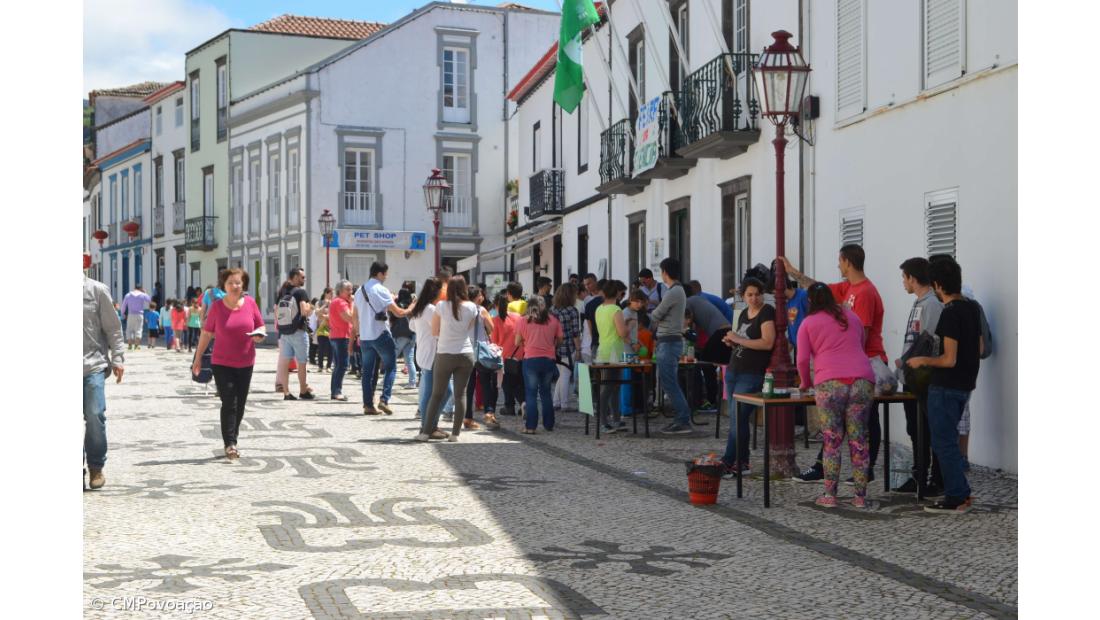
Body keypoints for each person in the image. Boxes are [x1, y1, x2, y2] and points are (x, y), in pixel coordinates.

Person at [782, 246, 888, 483]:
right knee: (840, 421)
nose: (838, 266)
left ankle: (865, 469)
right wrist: (795, 273)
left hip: (867, 362)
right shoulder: (848, 287)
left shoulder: (866, 292)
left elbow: (861, 334)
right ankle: (828, 467)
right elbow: (820, 290)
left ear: (847, 262)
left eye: (839, 261)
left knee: (867, 420)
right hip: (851, 366)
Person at [907, 257, 981, 514]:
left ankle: (957, 496)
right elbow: (979, 347)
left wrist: (922, 359)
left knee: (943, 443)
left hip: (946, 386)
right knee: (948, 441)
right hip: (965, 384)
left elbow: (948, 359)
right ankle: (961, 492)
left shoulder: (950, 313)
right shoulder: (972, 308)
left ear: (937, 284)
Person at [796, 283, 876, 508]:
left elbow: (802, 360)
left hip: (830, 383)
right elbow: (861, 344)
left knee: (832, 440)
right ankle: (860, 497)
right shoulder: (852, 317)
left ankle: (830, 495)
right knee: (858, 440)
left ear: (810, 301)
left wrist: (805, 383)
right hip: (862, 380)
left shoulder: (808, 323)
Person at [191, 268, 265, 461]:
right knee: (229, 402)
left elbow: (261, 325)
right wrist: (198, 359)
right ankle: (230, 444)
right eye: (230, 283)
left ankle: (233, 438)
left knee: (240, 404)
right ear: (224, 285)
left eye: (238, 283)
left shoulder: (250, 303)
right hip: (222, 362)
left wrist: (259, 335)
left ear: (244, 285)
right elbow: (207, 334)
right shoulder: (216, 307)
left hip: (246, 361)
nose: (234, 286)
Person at [895, 258, 945, 495]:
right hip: (910, 376)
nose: (903, 282)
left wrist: (912, 361)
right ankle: (918, 475)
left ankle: (933, 479)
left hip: (923, 378)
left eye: (904, 277)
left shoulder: (932, 305)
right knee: (915, 430)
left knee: (927, 429)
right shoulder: (919, 303)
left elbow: (930, 341)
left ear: (913, 278)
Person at [718, 278, 776, 474]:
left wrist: (738, 339)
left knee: (738, 416)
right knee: (737, 419)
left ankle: (729, 460)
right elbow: (743, 340)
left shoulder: (767, 312)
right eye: (750, 295)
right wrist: (732, 342)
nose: (754, 298)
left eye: (757, 294)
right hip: (734, 369)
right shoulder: (743, 313)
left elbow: (767, 343)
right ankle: (741, 463)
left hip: (751, 373)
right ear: (743, 296)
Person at [417, 276, 479, 442]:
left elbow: (435, 331)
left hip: (445, 354)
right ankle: (455, 434)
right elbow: (469, 327)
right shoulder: (472, 307)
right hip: (465, 354)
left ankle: (425, 432)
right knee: (461, 395)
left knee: (436, 394)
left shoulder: (441, 306)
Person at [84, 272, 125, 489]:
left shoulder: (97, 290)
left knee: (95, 414)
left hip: (93, 365)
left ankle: (96, 466)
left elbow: (113, 328)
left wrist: (118, 358)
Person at [352, 262, 410, 415]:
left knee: (367, 372)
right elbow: (398, 313)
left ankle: (368, 405)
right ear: (379, 274)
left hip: (365, 337)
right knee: (390, 367)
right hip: (380, 334)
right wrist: (412, 308)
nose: (387, 276)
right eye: (386, 274)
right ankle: (384, 399)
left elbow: (355, 316)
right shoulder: (381, 289)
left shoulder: (359, 291)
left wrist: (358, 334)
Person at [652, 258, 693, 435]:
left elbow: (656, 314)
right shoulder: (677, 291)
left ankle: (683, 419)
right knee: (669, 382)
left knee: (670, 383)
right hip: (669, 341)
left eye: (661, 271)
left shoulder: (673, 292)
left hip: (668, 342)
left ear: (665, 272)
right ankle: (682, 418)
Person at [516, 295, 563, 433]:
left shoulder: (523, 321)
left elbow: (517, 342)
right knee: (546, 392)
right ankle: (549, 424)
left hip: (530, 360)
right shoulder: (553, 320)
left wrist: (527, 342)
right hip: (548, 360)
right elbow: (560, 339)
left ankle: (531, 426)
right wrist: (553, 345)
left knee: (531, 394)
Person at [410, 278, 452, 420]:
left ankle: (429, 423)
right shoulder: (431, 309)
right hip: (432, 354)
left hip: (425, 352)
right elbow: (440, 330)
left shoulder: (421, 308)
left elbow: (412, 326)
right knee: (438, 391)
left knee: (439, 391)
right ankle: (427, 424)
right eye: (443, 289)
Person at [686, 285, 732, 411]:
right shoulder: (699, 300)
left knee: (705, 362)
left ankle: (711, 400)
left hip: (719, 332)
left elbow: (688, 324)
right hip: (727, 329)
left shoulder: (688, 302)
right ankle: (723, 400)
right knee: (724, 365)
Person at [594, 280, 631, 433]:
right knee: (610, 388)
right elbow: (622, 332)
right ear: (616, 293)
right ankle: (604, 422)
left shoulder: (599, 309)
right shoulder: (616, 310)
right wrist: (630, 326)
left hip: (603, 349)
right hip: (614, 352)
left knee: (612, 386)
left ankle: (615, 419)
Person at [274, 267, 314, 401]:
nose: (304, 279)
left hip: (285, 332)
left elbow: (276, 310)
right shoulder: (300, 292)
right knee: (301, 363)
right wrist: (310, 307)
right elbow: (304, 311)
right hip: (298, 331)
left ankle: (286, 392)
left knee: (285, 363)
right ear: (295, 277)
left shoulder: (283, 291)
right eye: (302, 277)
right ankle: (303, 390)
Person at [461, 285, 498, 430]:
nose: (482, 297)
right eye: (480, 295)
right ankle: (489, 413)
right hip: (481, 350)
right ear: (477, 297)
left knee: (468, 385)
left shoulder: (461, 310)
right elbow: (491, 328)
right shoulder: (481, 310)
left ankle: (468, 417)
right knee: (486, 382)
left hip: (465, 349)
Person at [550, 283, 582, 411]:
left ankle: (556, 402)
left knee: (561, 375)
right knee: (566, 375)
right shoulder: (572, 310)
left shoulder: (553, 309)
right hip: (568, 347)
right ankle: (564, 404)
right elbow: (575, 332)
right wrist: (578, 349)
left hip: (555, 347)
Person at [492, 293, 525, 417]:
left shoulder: (495, 321)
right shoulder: (518, 317)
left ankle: (512, 405)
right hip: (520, 353)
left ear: (495, 305)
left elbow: (494, 342)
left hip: (505, 356)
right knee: (520, 382)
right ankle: (520, 405)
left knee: (508, 383)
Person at [327, 281, 354, 401]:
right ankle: (336, 392)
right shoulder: (341, 302)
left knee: (338, 365)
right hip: (341, 337)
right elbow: (350, 318)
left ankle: (335, 391)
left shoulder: (337, 301)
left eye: (351, 289)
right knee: (342, 365)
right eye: (347, 289)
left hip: (336, 336)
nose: (350, 292)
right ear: (340, 291)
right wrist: (352, 303)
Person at [391, 288, 418, 390]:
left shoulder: (399, 305)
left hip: (401, 334)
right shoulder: (413, 306)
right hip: (412, 335)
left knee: (392, 357)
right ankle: (412, 382)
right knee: (409, 360)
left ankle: (386, 379)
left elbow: (393, 315)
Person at [120, 285, 151, 350]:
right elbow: (149, 300)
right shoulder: (142, 295)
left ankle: (130, 345)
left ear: (134, 288)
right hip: (140, 315)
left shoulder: (128, 295)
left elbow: (123, 305)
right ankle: (137, 346)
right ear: (141, 289)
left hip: (131, 314)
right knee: (138, 330)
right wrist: (145, 293)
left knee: (129, 330)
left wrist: (122, 313)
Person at [315, 288, 334, 374]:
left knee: (331, 349)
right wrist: (325, 305)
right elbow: (317, 312)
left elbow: (333, 315)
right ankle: (320, 366)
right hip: (321, 329)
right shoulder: (319, 302)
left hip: (331, 329)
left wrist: (324, 315)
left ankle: (329, 366)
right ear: (326, 293)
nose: (332, 295)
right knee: (321, 349)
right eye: (330, 293)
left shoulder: (333, 303)